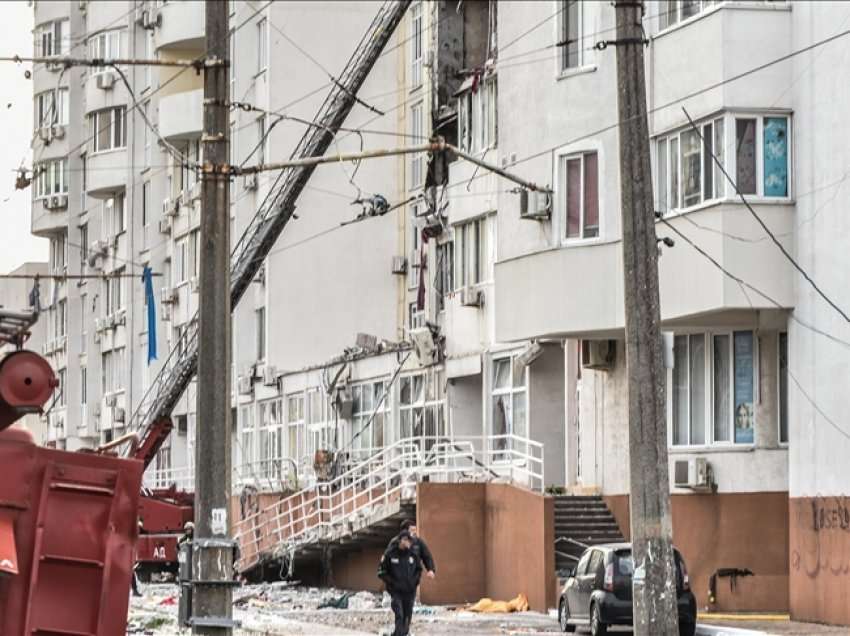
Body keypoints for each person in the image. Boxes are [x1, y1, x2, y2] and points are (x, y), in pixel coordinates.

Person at [378, 531, 421, 636]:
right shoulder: (390, 554)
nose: (408, 542)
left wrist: (414, 582)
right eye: (405, 540)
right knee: (399, 614)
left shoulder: (413, 555)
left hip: (409, 592)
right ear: (400, 541)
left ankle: (400, 634)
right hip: (396, 592)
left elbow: (419, 570)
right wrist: (392, 583)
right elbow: (381, 572)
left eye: (409, 540)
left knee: (407, 617)